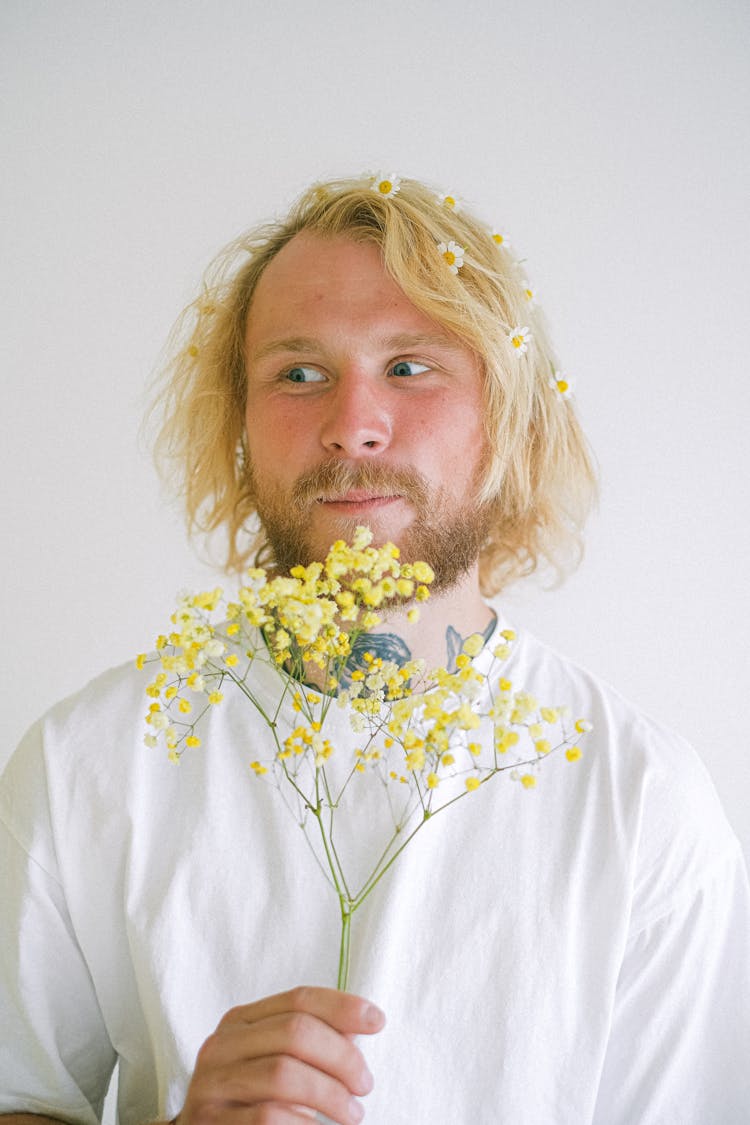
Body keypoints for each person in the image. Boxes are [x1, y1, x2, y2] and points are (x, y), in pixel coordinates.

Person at [1, 174, 749, 1125]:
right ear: (239, 425)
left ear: (512, 420)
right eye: (298, 372)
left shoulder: (642, 801)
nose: (352, 422)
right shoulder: (84, 768)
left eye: (410, 366)